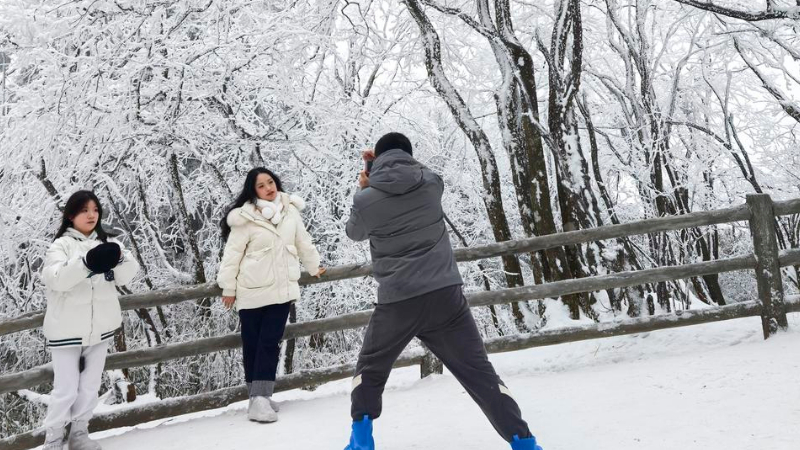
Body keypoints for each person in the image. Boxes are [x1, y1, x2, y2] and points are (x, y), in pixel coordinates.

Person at [343, 133, 543, 450]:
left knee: (370, 368)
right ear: (410, 156)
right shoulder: (431, 184)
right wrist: (387, 165)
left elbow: (354, 232)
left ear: (376, 161)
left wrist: (365, 185)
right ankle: (524, 443)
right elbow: (415, 173)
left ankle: (361, 442)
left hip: (398, 301)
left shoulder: (365, 200)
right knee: (479, 373)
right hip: (445, 296)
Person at [217, 167, 326, 423]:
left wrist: (314, 266)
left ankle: (261, 397)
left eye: (270, 182)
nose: (268, 188)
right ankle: (257, 398)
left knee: (269, 342)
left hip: (281, 290)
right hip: (251, 290)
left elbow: (302, 241)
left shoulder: (290, 210)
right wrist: (228, 288)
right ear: (253, 191)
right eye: (261, 185)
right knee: (253, 344)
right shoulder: (245, 217)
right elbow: (232, 254)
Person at [40, 190, 140, 450]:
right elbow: (56, 279)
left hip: (100, 329)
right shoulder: (61, 246)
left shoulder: (107, 243)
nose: (91, 215)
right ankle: (53, 440)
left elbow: (127, 274)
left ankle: (79, 434)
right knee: (66, 389)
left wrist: (119, 258)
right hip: (66, 331)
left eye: (95, 210)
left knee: (89, 386)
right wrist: (85, 263)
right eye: (84, 210)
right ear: (71, 215)